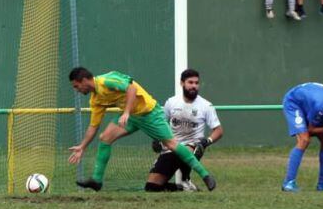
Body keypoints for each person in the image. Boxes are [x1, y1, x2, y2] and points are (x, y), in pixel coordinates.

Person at [68, 67, 216, 191]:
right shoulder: (95, 99)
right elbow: (93, 126)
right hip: (131, 117)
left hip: (150, 114)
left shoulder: (106, 81)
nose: (76, 90)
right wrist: (82, 146)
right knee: (105, 138)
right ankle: (96, 181)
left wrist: (126, 112)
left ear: (84, 81)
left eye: (76, 86)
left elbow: (131, 89)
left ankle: (205, 175)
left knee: (171, 144)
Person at [146, 69, 223, 192]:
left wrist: (206, 142)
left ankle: (184, 177)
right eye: (190, 82)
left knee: (183, 151)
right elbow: (162, 123)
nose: (194, 86)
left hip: (192, 147)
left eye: (196, 83)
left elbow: (218, 130)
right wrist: (157, 138)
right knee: (151, 187)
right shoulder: (171, 102)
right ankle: (183, 187)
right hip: (171, 146)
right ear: (182, 83)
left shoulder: (206, 105)